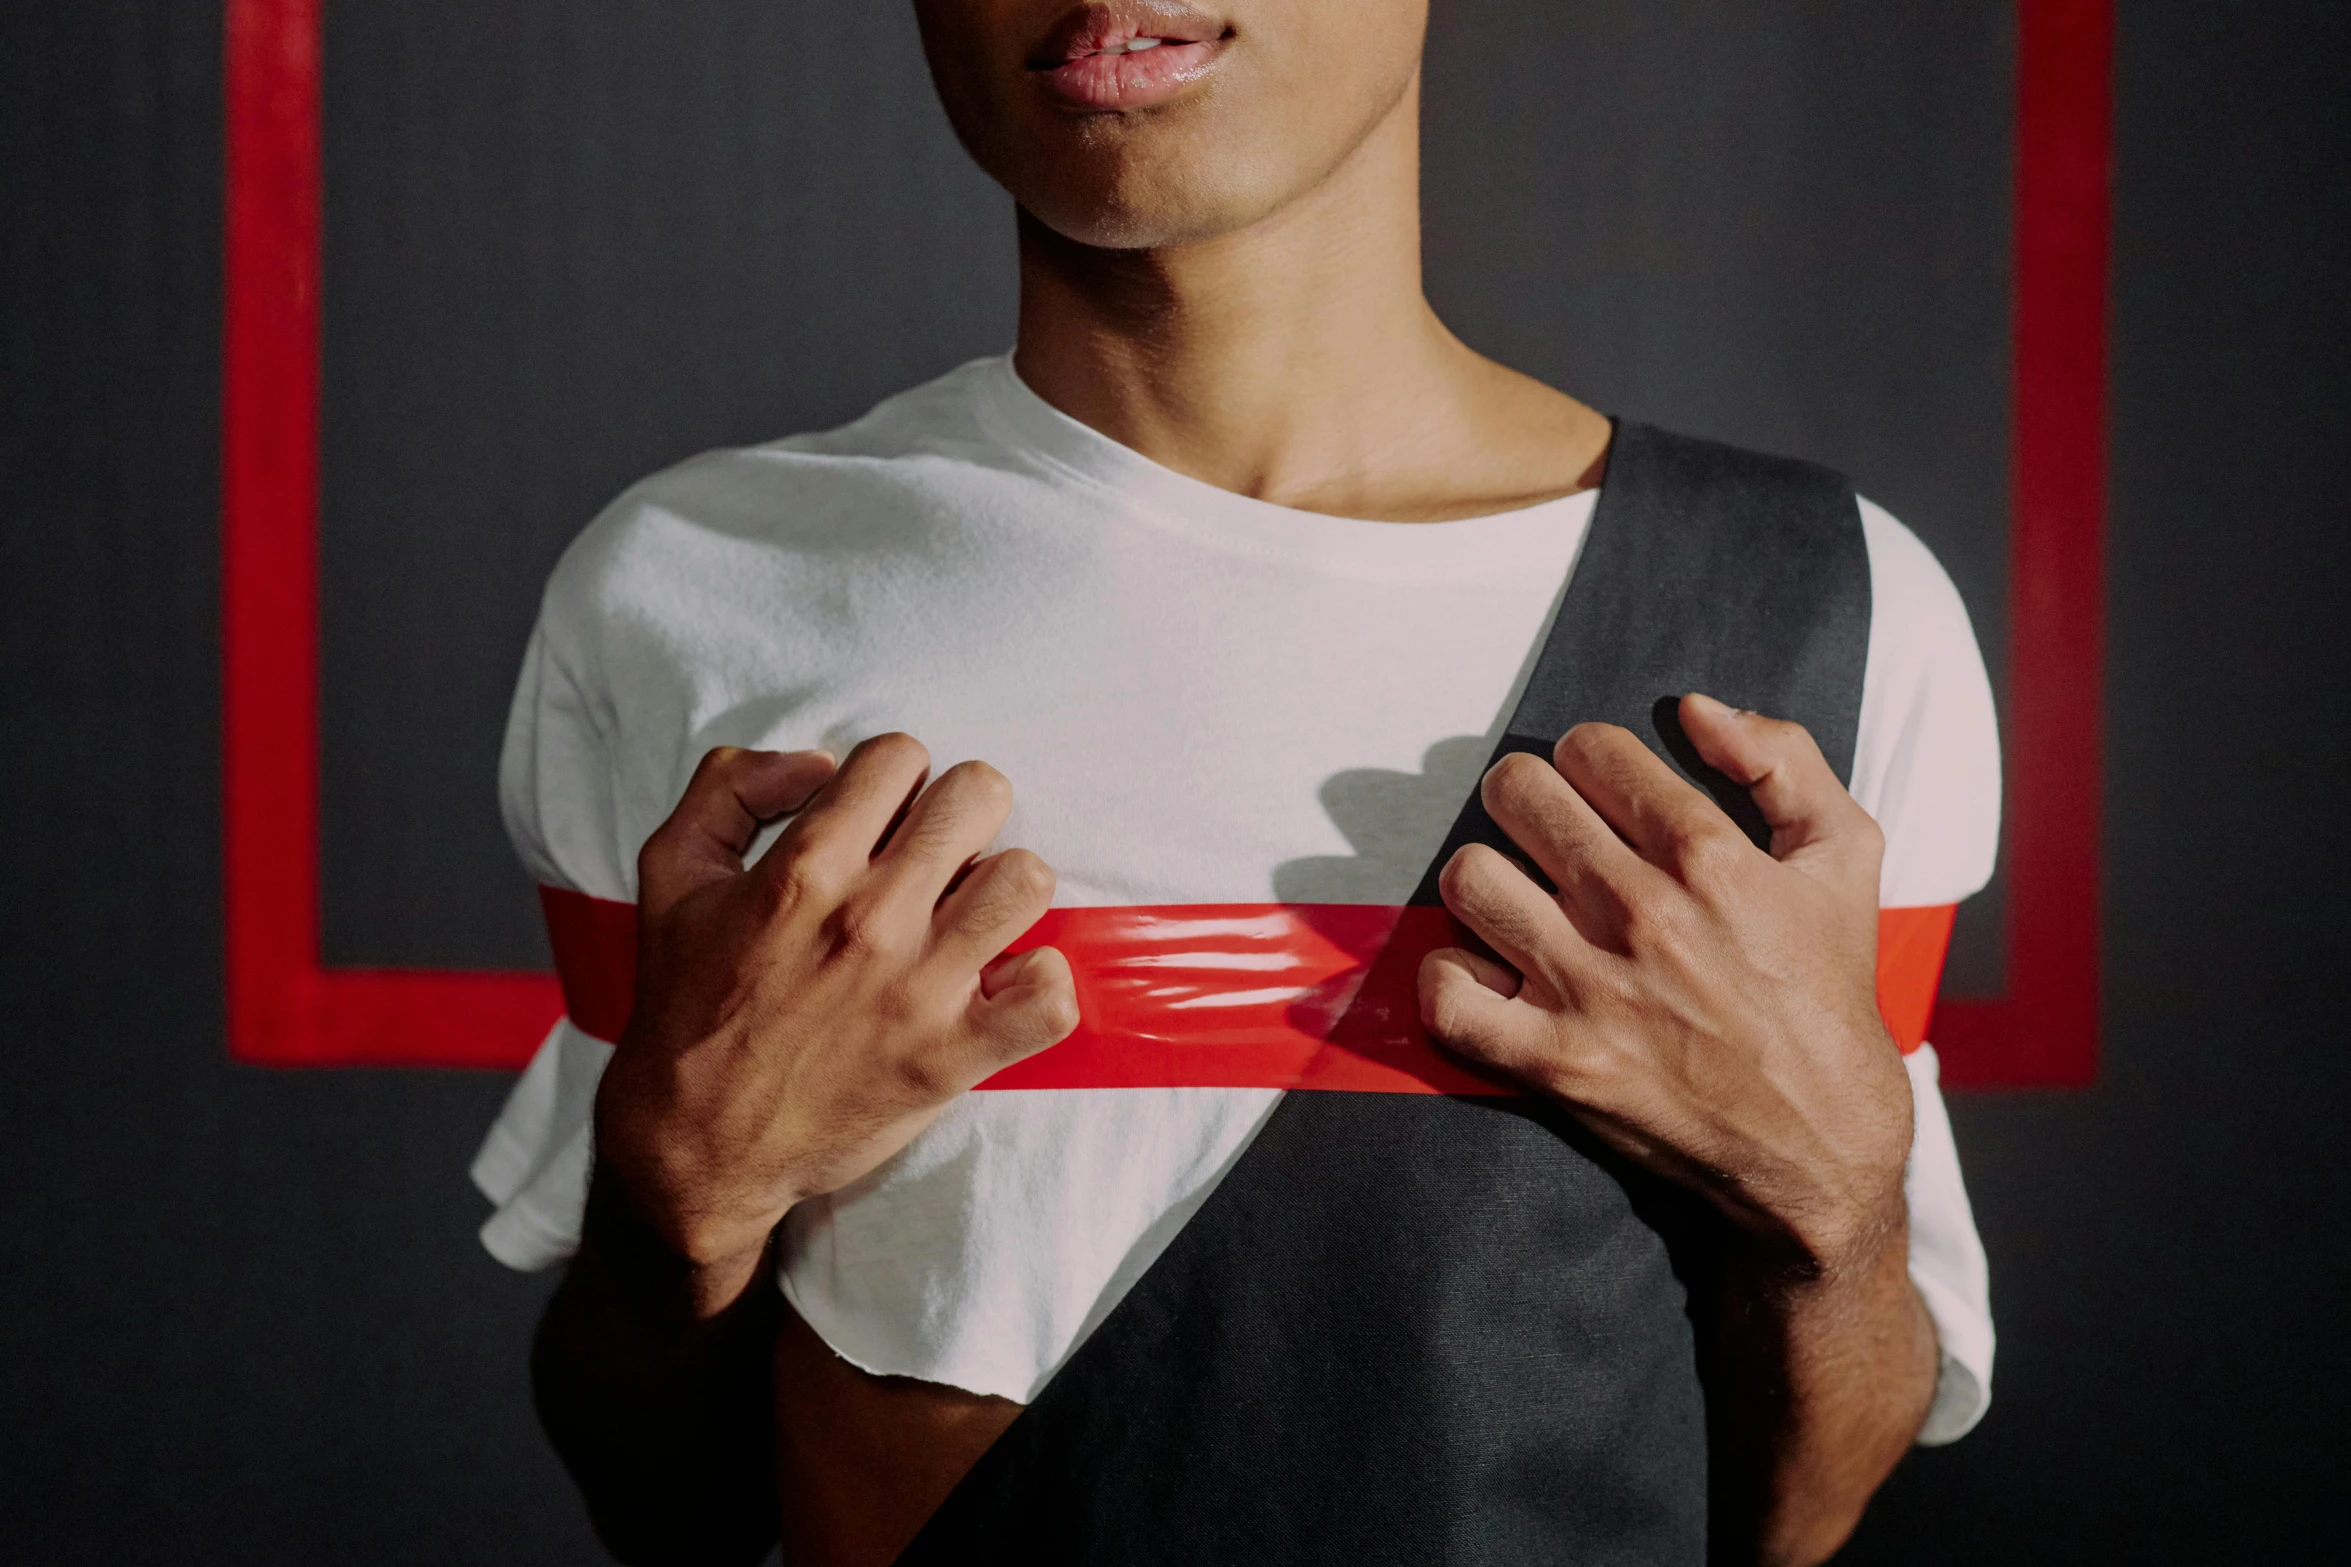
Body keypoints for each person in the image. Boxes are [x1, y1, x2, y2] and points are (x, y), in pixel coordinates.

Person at [471, 2, 1999, 1563]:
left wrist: (1837, 1207)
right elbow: (665, 1502)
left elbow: (1800, 1518)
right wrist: (678, 1201)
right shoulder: (690, 592)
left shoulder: (1826, 609)